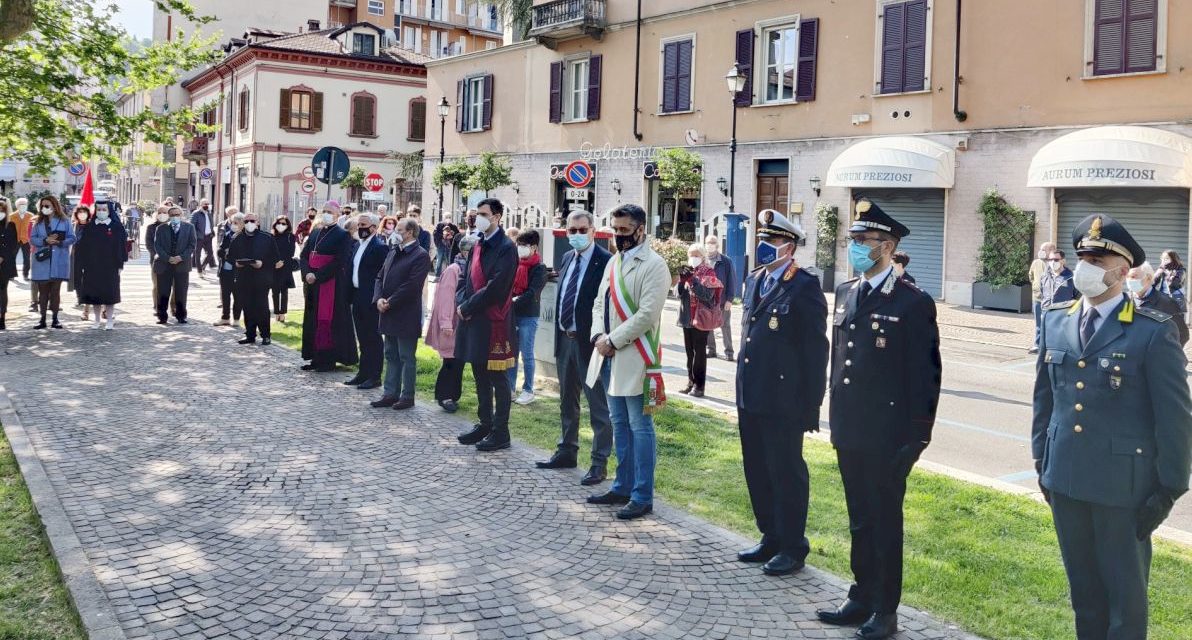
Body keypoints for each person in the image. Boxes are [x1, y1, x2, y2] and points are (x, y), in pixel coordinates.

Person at [1033, 214, 1191, 640]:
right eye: (1082, 258)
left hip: (1123, 490)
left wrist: (1169, 489)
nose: (1084, 267)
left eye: (1097, 261)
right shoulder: (1055, 319)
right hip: (1065, 480)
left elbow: (1175, 419)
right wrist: (1042, 463)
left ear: (1123, 272)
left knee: (1125, 603)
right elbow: (1044, 399)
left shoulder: (1152, 332)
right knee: (1084, 597)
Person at [817, 199, 941, 640]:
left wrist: (917, 439)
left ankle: (885, 609)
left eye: (863, 240)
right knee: (859, 518)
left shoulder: (912, 302)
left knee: (885, 522)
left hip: (888, 436)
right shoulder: (847, 291)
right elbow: (840, 360)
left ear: (886, 246)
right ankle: (861, 594)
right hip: (850, 428)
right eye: (851, 240)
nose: (854, 247)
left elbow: (926, 377)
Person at [736, 210, 828, 577]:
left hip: (783, 400)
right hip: (750, 394)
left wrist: (811, 404)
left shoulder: (803, 286)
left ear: (789, 247)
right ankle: (770, 536)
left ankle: (793, 546)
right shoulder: (754, 279)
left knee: (785, 472)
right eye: (762, 239)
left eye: (771, 240)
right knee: (756, 468)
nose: (764, 246)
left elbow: (815, 351)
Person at [585, 204, 672, 521]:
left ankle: (642, 495)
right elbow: (599, 303)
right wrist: (598, 335)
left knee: (640, 427)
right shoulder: (614, 262)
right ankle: (622, 486)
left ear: (641, 229)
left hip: (636, 356)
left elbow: (647, 315)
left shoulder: (655, 265)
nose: (618, 236)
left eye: (624, 230)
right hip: (608, 354)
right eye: (615, 229)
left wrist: (612, 340)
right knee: (619, 424)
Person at [537, 211, 614, 485]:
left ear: (593, 230)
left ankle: (599, 463)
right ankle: (567, 451)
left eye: (583, 230)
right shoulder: (568, 257)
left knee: (598, 406)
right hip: (565, 340)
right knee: (567, 401)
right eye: (573, 230)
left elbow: (607, 304)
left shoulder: (606, 261)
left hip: (590, 344)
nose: (577, 235)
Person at [453, 198, 518, 452]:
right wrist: (461, 302)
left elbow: (497, 287)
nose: (477, 218)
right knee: (479, 373)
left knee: (497, 378)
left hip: (492, 321)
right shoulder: (477, 243)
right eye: (477, 213)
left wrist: (468, 307)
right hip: (472, 319)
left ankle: (501, 431)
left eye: (483, 213)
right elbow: (464, 277)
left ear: (497, 217)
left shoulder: (506, 247)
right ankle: (485, 422)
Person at [372, 218, 432, 410]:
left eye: (399, 230)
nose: (394, 232)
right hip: (387, 311)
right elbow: (380, 276)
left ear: (410, 232)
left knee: (406, 356)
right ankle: (390, 393)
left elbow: (412, 285)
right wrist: (378, 298)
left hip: (405, 313)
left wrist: (390, 301)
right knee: (390, 354)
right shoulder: (393, 251)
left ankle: (407, 396)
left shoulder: (420, 255)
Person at [299, 201, 358, 372]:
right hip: (312, 284)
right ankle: (315, 357)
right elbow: (304, 256)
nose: (326, 214)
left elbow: (340, 261)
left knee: (327, 320)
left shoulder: (343, 235)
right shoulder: (315, 232)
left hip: (330, 283)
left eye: (330, 212)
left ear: (337, 215)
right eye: (324, 211)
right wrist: (307, 273)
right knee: (312, 320)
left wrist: (317, 276)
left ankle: (327, 360)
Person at [426, 233, 473, 413]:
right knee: (450, 361)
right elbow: (445, 297)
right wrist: (446, 323)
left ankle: (453, 395)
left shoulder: (468, 268)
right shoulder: (454, 269)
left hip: (462, 323)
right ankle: (445, 396)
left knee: (458, 361)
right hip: (451, 323)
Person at [345, 213, 388, 390]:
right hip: (357, 295)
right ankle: (363, 373)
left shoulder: (380, 247)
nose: (360, 227)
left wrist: (379, 296)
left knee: (373, 338)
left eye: (364, 225)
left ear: (374, 228)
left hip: (371, 298)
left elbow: (383, 275)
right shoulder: (357, 245)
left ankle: (374, 375)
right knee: (362, 337)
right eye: (359, 224)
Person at [675, 243, 721, 398]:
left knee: (699, 353)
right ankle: (690, 382)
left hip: (700, 318)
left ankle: (699, 386)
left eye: (696, 255)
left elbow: (707, 295)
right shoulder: (688, 270)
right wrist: (682, 281)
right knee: (689, 353)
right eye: (691, 255)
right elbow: (678, 294)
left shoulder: (709, 272)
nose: (693, 258)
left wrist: (693, 281)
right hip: (686, 317)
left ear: (702, 256)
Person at [507, 229, 547, 405]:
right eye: (519, 244)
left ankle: (528, 390)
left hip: (528, 315)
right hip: (513, 315)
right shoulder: (515, 264)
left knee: (527, 354)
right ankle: (509, 388)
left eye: (524, 245)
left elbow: (532, 293)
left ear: (534, 247)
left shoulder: (539, 268)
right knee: (512, 353)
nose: (520, 248)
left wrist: (513, 301)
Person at [228, 212, 279, 345]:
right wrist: (236, 263)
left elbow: (275, 258)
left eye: (252, 221)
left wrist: (262, 263)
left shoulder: (267, 237)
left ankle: (265, 335)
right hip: (244, 277)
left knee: (262, 306)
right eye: (246, 221)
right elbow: (230, 256)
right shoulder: (237, 237)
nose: (249, 223)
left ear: (257, 222)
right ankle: (250, 334)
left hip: (261, 278)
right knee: (247, 306)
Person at [75, 201, 127, 330]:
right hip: (92, 266)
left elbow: (122, 246)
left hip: (110, 266)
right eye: (99, 209)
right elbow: (83, 247)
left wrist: (120, 263)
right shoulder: (90, 226)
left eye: (104, 209)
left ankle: (109, 320)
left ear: (109, 211)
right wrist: (82, 264)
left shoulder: (116, 226)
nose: (101, 212)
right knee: (94, 294)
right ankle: (97, 320)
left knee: (110, 294)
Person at [29, 196, 77, 329]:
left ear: (54, 206)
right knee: (43, 292)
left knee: (55, 291)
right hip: (42, 261)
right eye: (42, 206)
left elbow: (72, 237)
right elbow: (32, 239)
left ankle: (55, 319)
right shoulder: (37, 222)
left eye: (47, 205)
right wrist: (45, 241)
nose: (44, 208)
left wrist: (60, 242)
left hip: (58, 260)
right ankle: (42, 319)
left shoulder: (64, 221)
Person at [152, 205, 197, 325]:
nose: (175, 217)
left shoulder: (189, 227)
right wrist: (168, 258)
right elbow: (157, 246)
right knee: (163, 292)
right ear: (169, 216)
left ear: (181, 215)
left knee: (181, 292)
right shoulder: (161, 228)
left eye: (177, 215)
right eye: (172, 215)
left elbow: (192, 245)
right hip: (164, 264)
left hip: (182, 265)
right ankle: (162, 316)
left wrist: (181, 257)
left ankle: (181, 315)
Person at [1129, 261, 1189, 345]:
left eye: (1133, 276)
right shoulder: (1123, 300)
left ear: (1148, 278)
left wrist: (1164, 351)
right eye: (1127, 276)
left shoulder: (1167, 303)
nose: (1129, 280)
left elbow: (1182, 335)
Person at [703, 234, 737, 361]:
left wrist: (730, 299)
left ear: (717, 245)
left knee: (725, 326)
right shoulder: (703, 260)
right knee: (708, 326)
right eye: (708, 242)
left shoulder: (726, 261)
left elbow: (732, 280)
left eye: (713, 242)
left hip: (722, 300)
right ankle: (711, 350)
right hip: (707, 300)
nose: (710, 245)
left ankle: (729, 352)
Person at [213, 210, 243, 327]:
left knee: (238, 296)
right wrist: (224, 253)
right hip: (225, 269)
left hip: (238, 271)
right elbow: (220, 250)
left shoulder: (245, 236)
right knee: (225, 295)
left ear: (242, 224)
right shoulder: (227, 234)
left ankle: (236, 318)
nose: (233, 225)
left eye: (236, 223)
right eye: (232, 222)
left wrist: (230, 254)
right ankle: (225, 317)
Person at [1029, 241, 1058, 354]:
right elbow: (1031, 276)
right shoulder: (1036, 263)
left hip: (1051, 300)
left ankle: (1049, 346)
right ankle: (1037, 345)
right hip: (1037, 298)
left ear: (1051, 251)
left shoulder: (1056, 263)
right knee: (1039, 323)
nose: (1040, 252)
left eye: (1043, 250)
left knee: (1050, 323)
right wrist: (1036, 286)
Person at [270, 215, 297, 323]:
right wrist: (275, 263)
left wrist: (282, 262)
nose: (281, 225)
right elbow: (269, 252)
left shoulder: (291, 236)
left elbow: (291, 252)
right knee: (275, 291)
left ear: (287, 225)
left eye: (283, 223)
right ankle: (276, 313)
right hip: (274, 266)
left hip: (286, 266)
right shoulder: (271, 236)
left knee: (284, 291)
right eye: (279, 223)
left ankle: (282, 313)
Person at [70, 205, 91, 317]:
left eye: (84, 212)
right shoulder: (74, 226)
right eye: (80, 212)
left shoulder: (92, 226)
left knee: (89, 277)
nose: (82, 214)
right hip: (76, 254)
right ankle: (80, 297)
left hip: (89, 255)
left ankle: (88, 298)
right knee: (77, 276)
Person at [0, 202, 17, 330]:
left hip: (5, 263)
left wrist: (2, 256)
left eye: (2, 210)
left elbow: (13, 245)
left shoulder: (10, 225)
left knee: (2, 290)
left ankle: (2, 317)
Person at [190, 198, 216, 274]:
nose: (207, 205)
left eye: (208, 204)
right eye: (205, 204)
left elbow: (210, 223)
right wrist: (195, 235)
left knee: (210, 253)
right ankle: (199, 271)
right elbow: (192, 225)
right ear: (201, 205)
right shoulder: (196, 213)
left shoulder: (209, 213)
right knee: (197, 254)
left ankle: (202, 267)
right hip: (199, 237)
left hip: (208, 236)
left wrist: (212, 231)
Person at [11, 197, 33, 283]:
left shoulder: (31, 216)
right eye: (21, 205)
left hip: (26, 240)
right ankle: (11, 274)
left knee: (27, 258)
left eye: (25, 204)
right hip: (14, 240)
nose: (23, 206)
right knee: (12, 257)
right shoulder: (12, 216)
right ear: (17, 206)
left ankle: (25, 275)